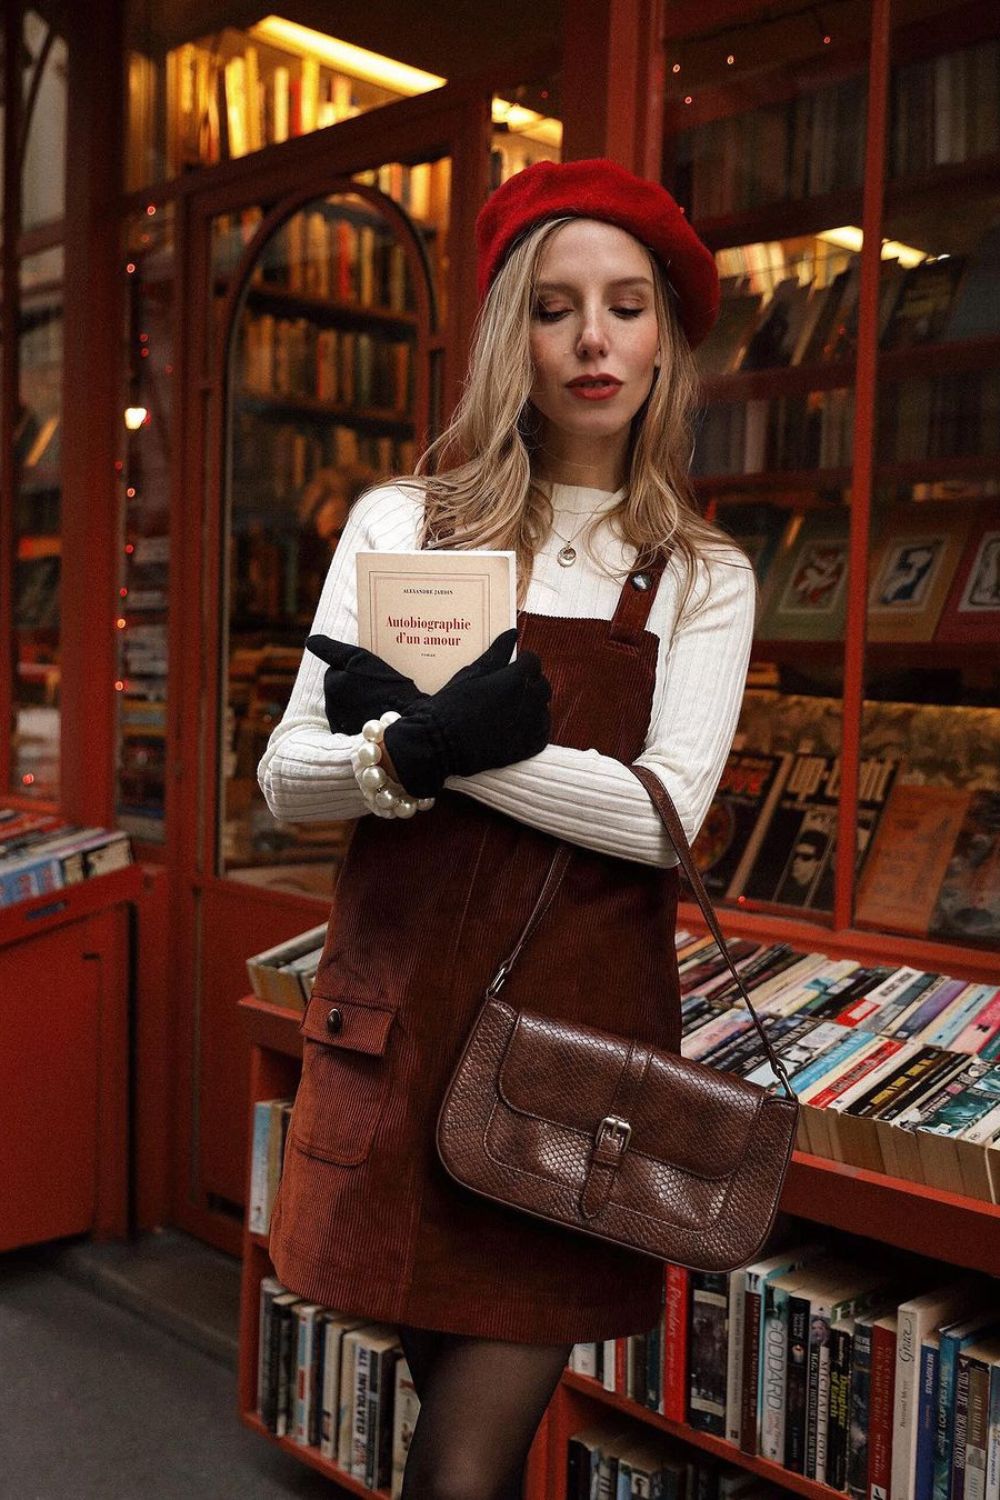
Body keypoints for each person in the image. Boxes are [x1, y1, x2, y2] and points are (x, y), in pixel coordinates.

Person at [257, 157, 757, 1500]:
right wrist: (404, 749)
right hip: (397, 1029)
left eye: (628, 306)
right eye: (554, 308)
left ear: (668, 336)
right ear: (508, 336)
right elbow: (286, 776)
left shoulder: (701, 573)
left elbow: (660, 821)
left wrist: (444, 749)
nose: (594, 342)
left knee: (460, 1468)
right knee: (446, 1434)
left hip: (567, 1073)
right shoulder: (406, 521)